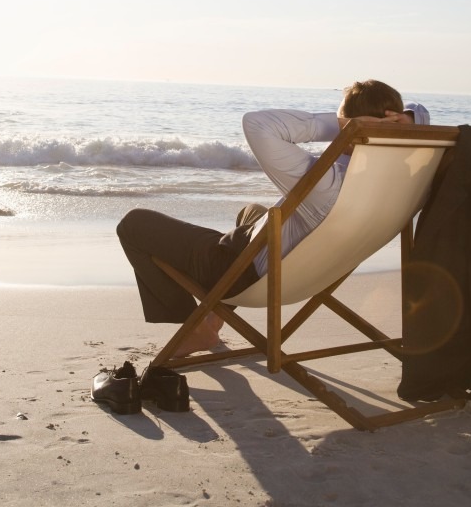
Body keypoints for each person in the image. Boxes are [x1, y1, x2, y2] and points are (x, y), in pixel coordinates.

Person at [116, 79, 430, 357]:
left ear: (349, 126)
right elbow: (424, 116)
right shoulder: (408, 180)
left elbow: (257, 124)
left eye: (341, 120)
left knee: (133, 224)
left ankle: (194, 328)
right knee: (252, 211)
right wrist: (404, 121)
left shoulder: (328, 183)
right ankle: (214, 320)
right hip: (314, 273)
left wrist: (341, 125)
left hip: (247, 272)